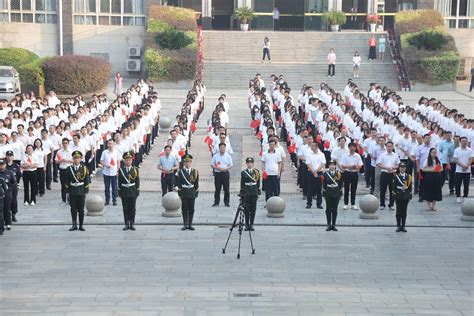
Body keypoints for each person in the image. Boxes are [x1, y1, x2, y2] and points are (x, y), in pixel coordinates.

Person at [65, 150, 90, 231]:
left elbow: (86, 180)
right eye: (75, 158)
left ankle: (81, 225)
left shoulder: (84, 169)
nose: (76, 160)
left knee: (81, 210)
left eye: (78, 158)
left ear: (80, 159)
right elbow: (67, 181)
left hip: (81, 191)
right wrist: (67, 192)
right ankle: (74, 224)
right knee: (73, 209)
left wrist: (86, 191)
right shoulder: (69, 169)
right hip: (72, 191)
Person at [118, 151, 140, 231]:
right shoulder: (121, 170)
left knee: (132, 208)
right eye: (126, 160)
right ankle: (126, 223)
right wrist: (119, 191)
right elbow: (119, 182)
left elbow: (137, 181)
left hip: (132, 191)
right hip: (124, 191)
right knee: (125, 208)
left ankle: (132, 223)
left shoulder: (135, 169)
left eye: (129, 160)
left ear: (132, 160)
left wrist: (137, 191)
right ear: (124, 161)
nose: (128, 161)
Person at [178, 154, 199, 230]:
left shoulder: (195, 172)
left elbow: (196, 184)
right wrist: (180, 194)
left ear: (191, 163)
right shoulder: (181, 172)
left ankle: (190, 224)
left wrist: (196, 193)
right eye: (186, 162)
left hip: (191, 192)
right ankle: (185, 224)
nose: (187, 163)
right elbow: (179, 183)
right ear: (184, 163)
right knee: (184, 209)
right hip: (184, 192)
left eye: (189, 162)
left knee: (191, 209)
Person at [377, 141, 400, 210]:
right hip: (384, 173)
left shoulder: (395, 155)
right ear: (386, 147)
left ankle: (391, 204)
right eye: (388, 146)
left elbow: (398, 164)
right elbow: (379, 164)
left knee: (392, 190)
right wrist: (386, 168)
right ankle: (382, 204)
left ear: (392, 147)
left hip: (392, 174)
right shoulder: (383, 155)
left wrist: (394, 167)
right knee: (383, 190)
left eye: (390, 146)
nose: (389, 148)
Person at [240, 157, 261, 231]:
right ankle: (246, 224)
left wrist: (258, 193)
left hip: (254, 192)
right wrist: (242, 193)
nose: (250, 164)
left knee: (253, 209)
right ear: (246, 164)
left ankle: (251, 224)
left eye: (251, 163)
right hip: (247, 192)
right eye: (248, 163)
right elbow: (242, 184)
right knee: (246, 209)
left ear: (253, 163)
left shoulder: (256, 172)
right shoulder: (243, 173)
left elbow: (258, 183)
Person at [340, 142, 363, 210]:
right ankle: (345, 203)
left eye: (354, 147)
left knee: (354, 189)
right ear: (349, 147)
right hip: (347, 173)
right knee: (346, 188)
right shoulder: (345, 155)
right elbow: (342, 165)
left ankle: (353, 204)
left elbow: (361, 164)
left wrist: (357, 167)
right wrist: (350, 166)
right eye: (351, 147)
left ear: (355, 148)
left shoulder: (357, 155)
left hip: (354, 173)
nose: (352, 148)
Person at [322, 160, 343, 231]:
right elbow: (324, 184)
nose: (332, 166)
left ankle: (333, 224)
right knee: (328, 209)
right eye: (330, 165)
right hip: (328, 192)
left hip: (336, 192)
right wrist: (324, 193)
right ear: (328, 166)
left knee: (335, 209)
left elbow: (340, 184)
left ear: (335, 166)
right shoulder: (325, 174)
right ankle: (328, 224)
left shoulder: (338, 174)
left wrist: (340, 192)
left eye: (333, 165)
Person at [211, 143, 233, 207]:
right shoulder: (215, 156)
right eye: (221, 147)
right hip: (218, 173)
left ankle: (226, 202)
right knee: (217, 188)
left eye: (223, 147)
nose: (222, 149)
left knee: (226, 188)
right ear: (219, 148)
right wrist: (217, 168)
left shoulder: (228, 156)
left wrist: (226, 169)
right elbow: (212, 164)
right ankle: (216, 201)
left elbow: (231, 164)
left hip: (225, 173)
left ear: (225, 148)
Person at [392, 162, 412, 232]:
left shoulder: (408, 176)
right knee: (398, 212)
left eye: (403, 167)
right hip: (398, 195)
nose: (402, 169)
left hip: (405, 196)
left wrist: (409, 196)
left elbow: (409, 188)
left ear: (405, 168)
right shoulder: (396, 176)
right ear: (399, 168)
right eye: (401, 167)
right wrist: (394, 196)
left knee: (404, 211)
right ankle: (398, 225)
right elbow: (394, 187)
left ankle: (403, 225)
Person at [305, 142, 326, 209]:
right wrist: (313, 171)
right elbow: (308, 164)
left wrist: (316, 171)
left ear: (316, 147)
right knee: (310, 189)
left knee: (319, 189)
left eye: (313, 146)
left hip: (319, 172)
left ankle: (319, 204)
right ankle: (309, 203)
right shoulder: (309, 154)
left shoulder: (321, 154)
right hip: (310, 172)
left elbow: (323, 163)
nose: (311, 147)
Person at [100, 139, 120, 206]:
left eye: (112, 143)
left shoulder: (116, 152)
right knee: (107, 187)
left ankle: (114, 200)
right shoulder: (104, 152)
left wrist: (118, 170)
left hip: (114, 172)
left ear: (114, 144)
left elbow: (118, 162)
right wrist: (106, 165)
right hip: (106, 172)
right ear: (107, 144)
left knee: (114, 187)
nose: (110, 145)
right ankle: (107, 200)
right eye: (109, 144)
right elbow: (101, 161)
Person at [453, 137, 473, 203]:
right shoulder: (457, 150)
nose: (464, 142)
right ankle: (458, 196)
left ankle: (465, 196)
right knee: (458, 184)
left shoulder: (470, 150)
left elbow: (471, 159)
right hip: (459, 170)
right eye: (463, 141)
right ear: (460, 142)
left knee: (466, 184)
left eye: (465, 141)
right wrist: (463, 165)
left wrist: (467, 165)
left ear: (467, 142)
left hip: (467, 170)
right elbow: (455, 159)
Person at [55, 138, 73, 205]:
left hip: (69, 169)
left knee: (70, 185)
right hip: (62, 169)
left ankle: (70, 199)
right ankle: (63, 199)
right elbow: (56, 161)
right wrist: (61, 160)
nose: (65, 144)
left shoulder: (71, 151)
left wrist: (67, 160)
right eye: (63, 143)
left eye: (66, 143)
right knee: (63, 185)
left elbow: (74, 161)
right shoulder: (59, 152)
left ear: (68, 143)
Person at [0, 158, 16, 231]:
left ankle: (8, 223)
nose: (1, 166)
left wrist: (8, 188)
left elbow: (13, 182)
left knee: (7, 209)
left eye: (2, 165)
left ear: (5, 165)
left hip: (7, 193)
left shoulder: (9, 173)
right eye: (0, 165)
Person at [5, 151, 21, 223]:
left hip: (13, 186)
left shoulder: (16, 166)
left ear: (13, 157)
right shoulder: (3, 165)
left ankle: (13, 214)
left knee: (14, 200)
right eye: (8, 156)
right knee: (6, 201)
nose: (9, 157)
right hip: (5, 186)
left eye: (10, 156)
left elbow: (19, 175)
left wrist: (18, 183)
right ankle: (7, 216)